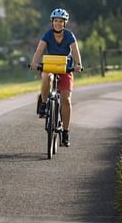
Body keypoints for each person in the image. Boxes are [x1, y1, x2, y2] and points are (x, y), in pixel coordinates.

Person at [29, 8, 83, 147]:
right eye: (56, 21)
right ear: (52, 22)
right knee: (47, 77)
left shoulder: (70, 36)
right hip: (50, 67)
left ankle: (65, 132)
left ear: (65, 23)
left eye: (61, 21)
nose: (58, 24)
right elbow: (39, 50)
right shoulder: (47, 35)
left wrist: (78, 64)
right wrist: (34, 63)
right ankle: (44, 102)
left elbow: (75, 51)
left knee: (66, 100)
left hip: (66, 69)